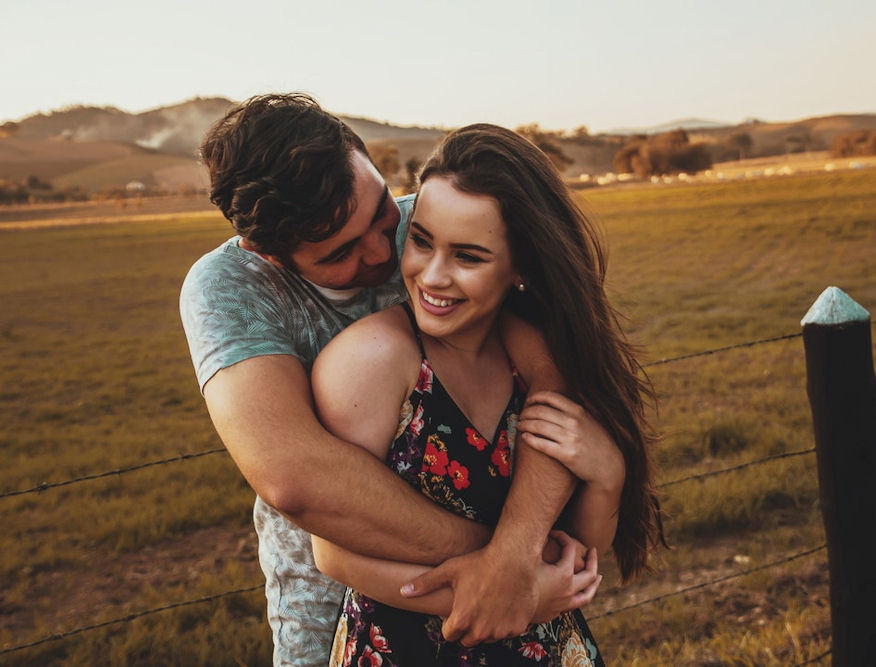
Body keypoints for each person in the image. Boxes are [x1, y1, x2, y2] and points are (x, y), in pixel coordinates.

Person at [180, 95, 608, 665]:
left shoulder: (433, 226)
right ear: (272, 255)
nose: (386, 250)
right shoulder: (231, 286)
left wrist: (516, 556)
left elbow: (552, 381)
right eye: (342, 252)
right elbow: (296, 480)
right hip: (335, 607)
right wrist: (506, 561)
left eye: (382, 212)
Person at [309, 124, 662, 665]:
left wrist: (608, 474)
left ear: (520, 268)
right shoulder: (371, 361)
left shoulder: (541, 359)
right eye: (421, 241)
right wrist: (510, 595)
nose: (432, 276)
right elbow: (333, 551)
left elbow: (579, 550)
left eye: (468, 257)